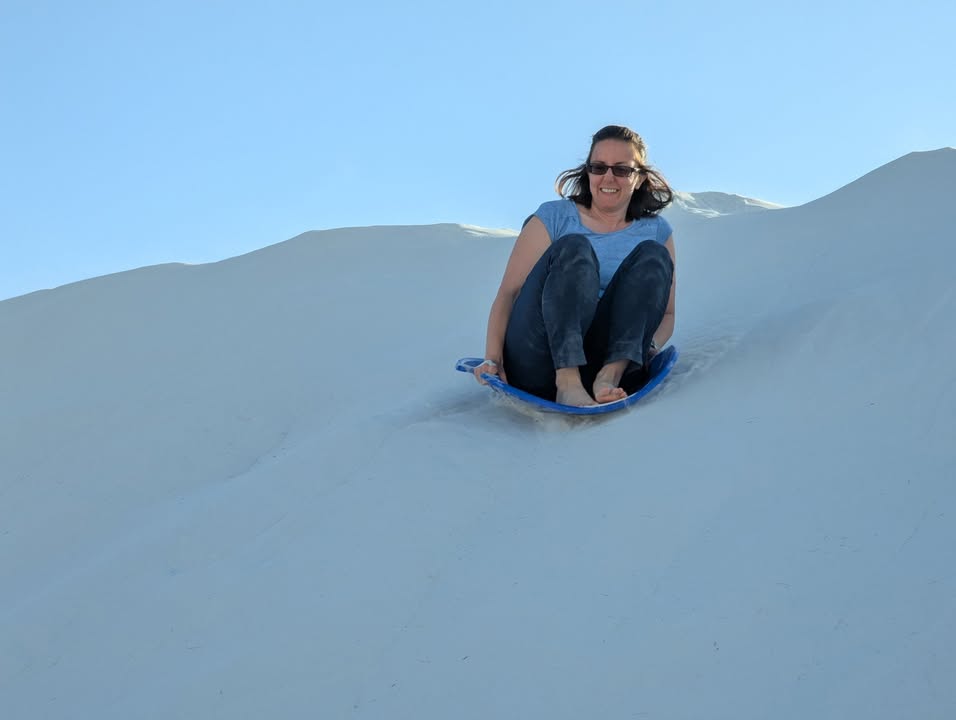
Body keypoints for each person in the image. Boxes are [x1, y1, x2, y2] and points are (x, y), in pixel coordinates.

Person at [474, 125, 676, 407]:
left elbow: (665, 313)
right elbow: (509, 293)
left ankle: (610, 375)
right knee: (574, 247)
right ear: (588, 172)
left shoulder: (656, 231)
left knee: (653, 256)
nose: (608, 177)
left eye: (622, 170)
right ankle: (566, 382)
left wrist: (647, 346)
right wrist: (492, 359)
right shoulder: (554, 216)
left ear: (639, 178)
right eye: (598, 167)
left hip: (601, 360)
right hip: (539, 357)